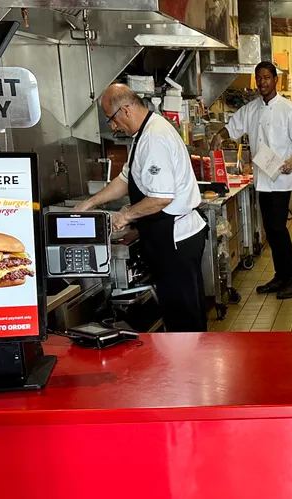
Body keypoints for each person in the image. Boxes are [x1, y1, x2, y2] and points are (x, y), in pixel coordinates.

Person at [77, 84, 209, 332]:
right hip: (171, 236)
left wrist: (125, 215)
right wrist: (90, 203)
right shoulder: (144, 133)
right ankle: (188, 360)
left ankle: (189, 366)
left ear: (125, 110)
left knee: (183, 314)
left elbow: (161, 198)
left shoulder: (154, 138)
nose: (113, 127)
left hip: (176, 238)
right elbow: (126, 179)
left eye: (112, 120)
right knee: (181, 308)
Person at [212, 61, 292, 299]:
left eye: (267, 77)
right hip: (262, 178)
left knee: (278, 228)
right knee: (270, 229)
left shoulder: (289, 109)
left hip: (281, 178)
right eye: (259, 78)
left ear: (275, 80)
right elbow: (233, 126)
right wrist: (219, 135)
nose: (262, 82)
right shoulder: (251, 108)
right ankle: (280, 276)